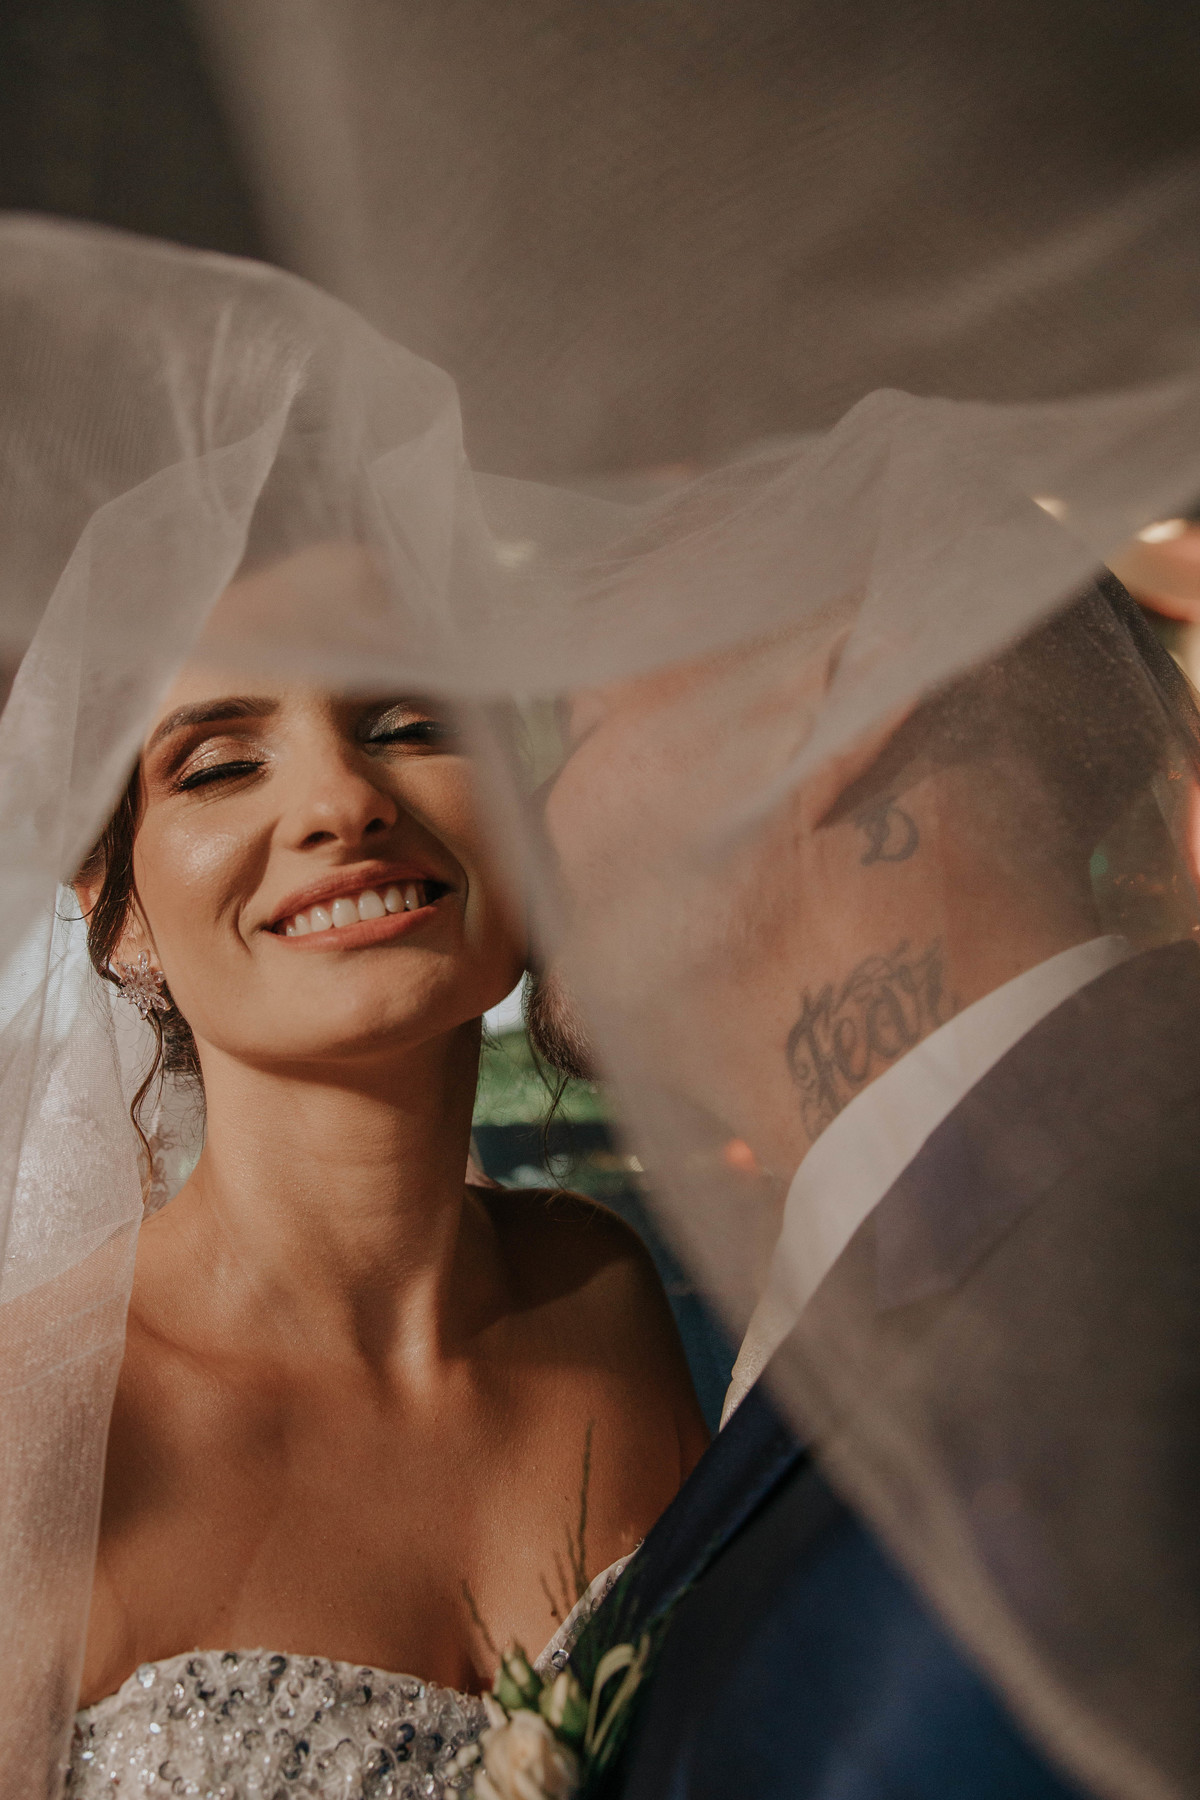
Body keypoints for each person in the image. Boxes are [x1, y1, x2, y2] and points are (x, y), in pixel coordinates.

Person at [528, 577, 1200, 1799]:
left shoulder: (1138, 1272)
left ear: (851, 700)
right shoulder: (958, 1233)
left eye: (580, 726)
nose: (539, 810)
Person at [62, 553, 707, 1796]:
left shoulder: (604, 1290)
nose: (343, 802)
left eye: (412, 725)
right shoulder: (48, 1435)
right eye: (220, 765)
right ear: (118, 910)